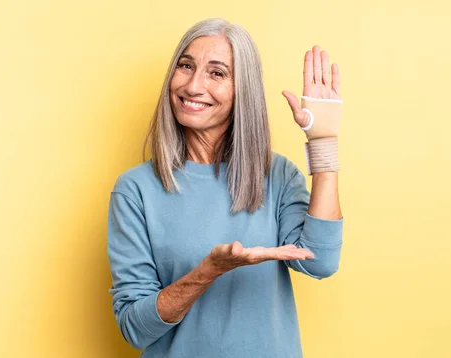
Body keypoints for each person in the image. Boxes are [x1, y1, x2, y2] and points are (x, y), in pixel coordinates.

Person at [107, 17, 344, 358]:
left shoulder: (276, 175)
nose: (193, 85)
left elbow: (319, 261)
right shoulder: (136, 190)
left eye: (216, 73)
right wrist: (208, 272)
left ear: (241, 89)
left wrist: (323, 141)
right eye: (185, 66)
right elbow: (134, 328)